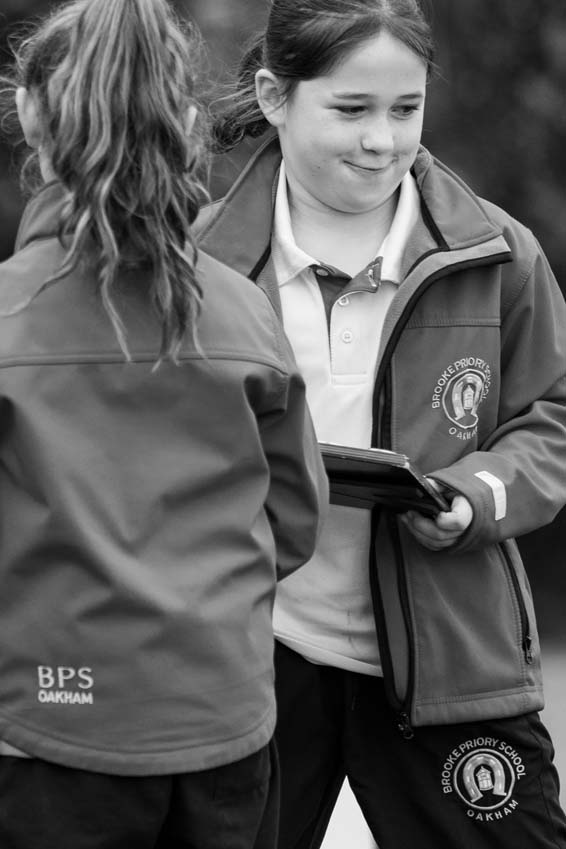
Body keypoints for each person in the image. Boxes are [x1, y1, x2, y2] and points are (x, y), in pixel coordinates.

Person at [198, 1, 566, 847]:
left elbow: (553, 415)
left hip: (454, 663)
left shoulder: (500, 254)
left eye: (405, 109)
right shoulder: (199, 267)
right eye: (352, 110)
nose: (382, 141)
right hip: (256, 661)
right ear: (275, 95)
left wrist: (479, 494)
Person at [0, 1, 329, 847]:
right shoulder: (245, 312)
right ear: (185, 122)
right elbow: (294, 521)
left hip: (49, 727)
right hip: (223, 723)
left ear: (33, 115)